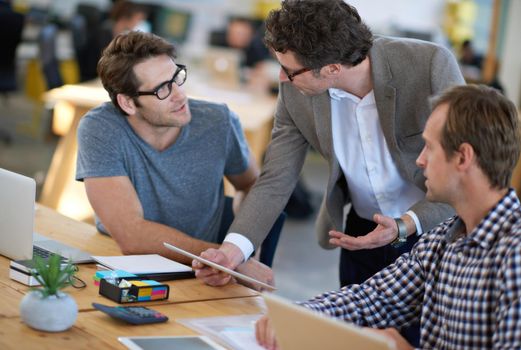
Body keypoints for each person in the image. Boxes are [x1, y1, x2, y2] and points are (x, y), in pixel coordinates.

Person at [195, 0, 464, 289]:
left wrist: (406, 224)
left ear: (333, 68)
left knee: (423, 334)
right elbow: (276, 179)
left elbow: (466, 167)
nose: (282, 78)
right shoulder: (296, 92)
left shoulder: (429, 66)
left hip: (437, 228)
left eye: (291, 70)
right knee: (355, 330)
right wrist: (231, 252)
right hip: (362, 234)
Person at [256, 84, 521, 349]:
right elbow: (374, 300)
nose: (420, 160)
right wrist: (295, 317)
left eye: (429, 147)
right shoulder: (444, 239)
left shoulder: (514, 258)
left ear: (463, 157)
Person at [75, 31, 284, 279]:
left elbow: (251, 186)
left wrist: (243, 252)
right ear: (128, 103)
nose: (180, 94)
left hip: (201, 272)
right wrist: (226, 259)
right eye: (163, 89)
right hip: (122, 265)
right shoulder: (100, 129)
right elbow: (132, 235)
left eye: (176, 77)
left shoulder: (218, 122)